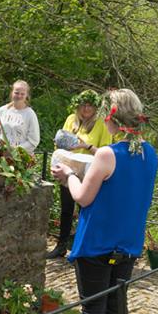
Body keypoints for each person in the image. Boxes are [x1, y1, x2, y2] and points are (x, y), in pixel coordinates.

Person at [49, 89, 158, 314]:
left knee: (93, 306)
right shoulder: (150, 152)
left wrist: (69, 176)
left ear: (111, 119)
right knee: (116, 302)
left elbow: (83, 199)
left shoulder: (109, 154)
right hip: (128, 242)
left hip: (99, 240)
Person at [47, 90, 114, 259]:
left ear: (96, 107)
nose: (86, 108)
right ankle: (61, 246)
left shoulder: (101, 124)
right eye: (83, 104)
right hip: (68, 169)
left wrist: (86, 146)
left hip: (90, 174)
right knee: (66, 209)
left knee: (86, 209)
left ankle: (85, 249)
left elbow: (106, 152)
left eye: (90, 105)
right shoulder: (71, 119)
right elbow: (60, 143)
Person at [0, 80, 40, 155]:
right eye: (16, 93)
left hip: (20, 158)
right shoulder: (3, 110)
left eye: (22, 94)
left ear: (26, 95)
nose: (19, 96)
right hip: (0, 155)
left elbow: (34, 141)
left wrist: (16, 150)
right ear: (12, 93)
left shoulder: (30, 114)